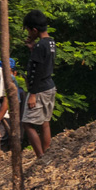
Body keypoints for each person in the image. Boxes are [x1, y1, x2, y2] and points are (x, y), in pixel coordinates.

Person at [21, 10, 56, 158]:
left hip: (39, 89)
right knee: (44, 122)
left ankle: (41, 157)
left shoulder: (40, 46)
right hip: (49, 86)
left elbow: (37, 71)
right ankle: (46, 154)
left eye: (29, 30)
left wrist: (32, 95)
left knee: (27, 123)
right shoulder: (50, 42)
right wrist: (32, 49)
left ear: (34, 30)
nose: (28, 33)